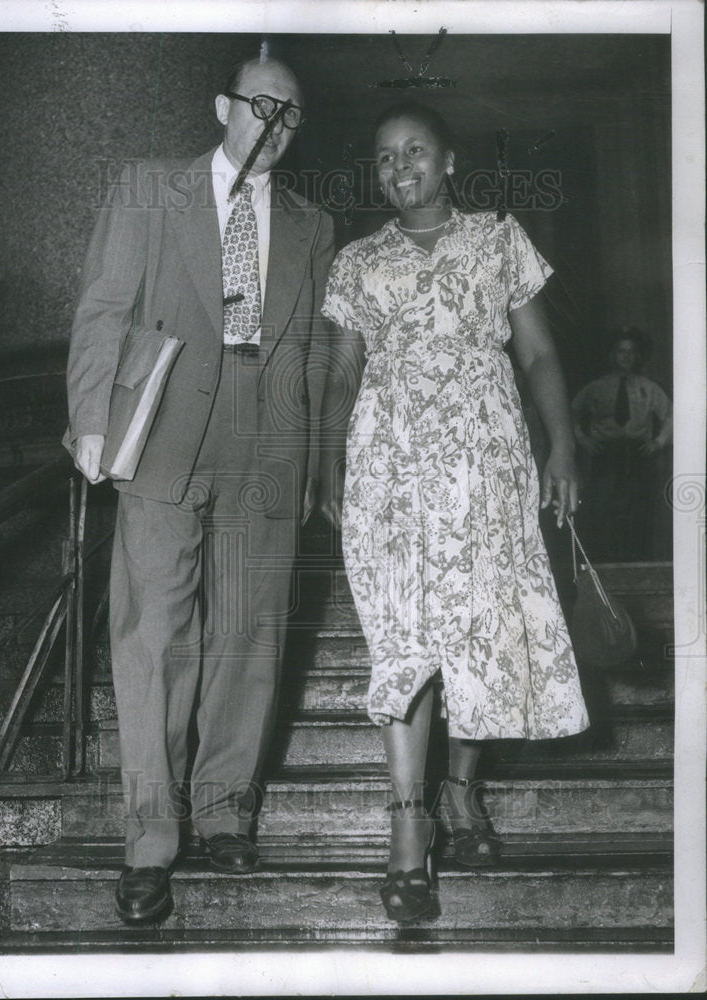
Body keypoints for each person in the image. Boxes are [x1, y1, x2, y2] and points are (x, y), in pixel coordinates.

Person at [65, 56, 334, 925]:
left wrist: (311, 461)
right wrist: (93, 420)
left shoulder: (310, 222)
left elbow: (316, 352)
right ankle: (150, 839)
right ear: (224, 108)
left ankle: (224, 809)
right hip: (163, 436)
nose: (275, 126)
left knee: (251, 634)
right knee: (154, 640)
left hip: (266, 444)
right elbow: (104, 307)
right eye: (262, 107)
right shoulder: (148, 188)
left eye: (291, 116)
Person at [319, 102, 589, 923]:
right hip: (387, 466)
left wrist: (562, 447)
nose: (399, 167)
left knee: (478, 629)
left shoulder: (498, 238)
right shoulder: (356, 261)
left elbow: (538, 351)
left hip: (486, 460)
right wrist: (327, 465)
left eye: (414, 151)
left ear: (447, 161)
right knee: (403, 637)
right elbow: (339, 373)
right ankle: (409, 831)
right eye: (384, 157)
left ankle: (461, 792)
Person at [571, 329, 672, 560]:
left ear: (637, 357)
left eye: (631, 352)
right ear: (612, 355)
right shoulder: (596, 387)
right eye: (621, 352)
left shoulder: (648, 388)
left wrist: (659, 442)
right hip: (606, 455)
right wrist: (583, 438)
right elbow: (572, 412)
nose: (626, 357)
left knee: (638, 508)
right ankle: (605, 561)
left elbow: (670, 414)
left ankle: (636, 559)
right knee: (604, 506)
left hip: (637, 454)